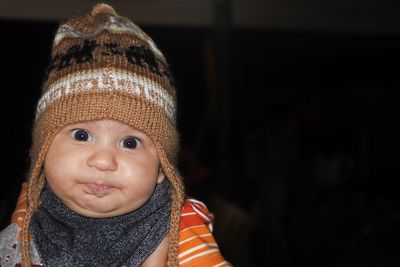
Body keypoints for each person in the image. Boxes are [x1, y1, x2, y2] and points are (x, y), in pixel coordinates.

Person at [0, 3, 230, 267]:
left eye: (130, 142)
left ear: (161, 169)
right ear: (43, 147)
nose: (103, 161)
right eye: (82, 135)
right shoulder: (28, 209)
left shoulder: (180, 228)